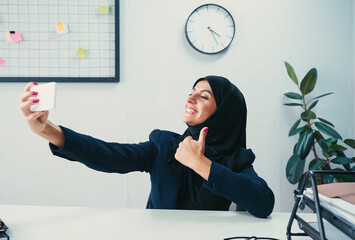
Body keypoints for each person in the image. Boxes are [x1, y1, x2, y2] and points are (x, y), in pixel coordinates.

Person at [20, 76, 275, 218]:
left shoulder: (236, 160)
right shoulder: (164, 145)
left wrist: (201, 164)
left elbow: (263, 203)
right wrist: (49, 131)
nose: (190, 98)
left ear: (225, 114)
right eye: (192, 91)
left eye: (204, 96)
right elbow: (110, 155)